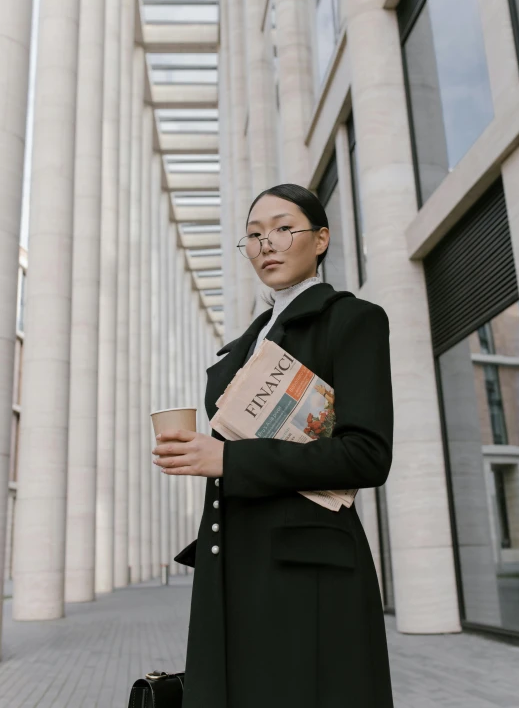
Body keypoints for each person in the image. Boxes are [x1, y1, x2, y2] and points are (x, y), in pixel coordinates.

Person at [153, 183, 395, 708]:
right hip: (233, 565)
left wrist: (228, 459)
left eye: (285, 228)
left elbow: (367, 454)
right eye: (255, 235)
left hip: (306, 574)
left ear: (321, 239)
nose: (268, 244)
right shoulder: (245, 343)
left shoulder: (353, 320)